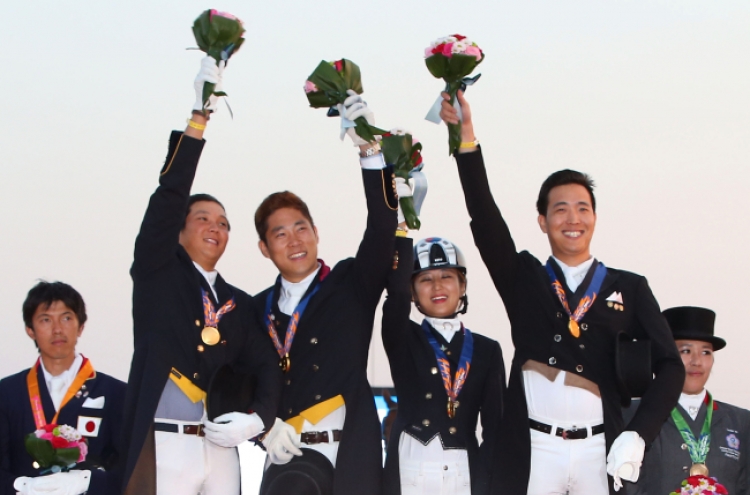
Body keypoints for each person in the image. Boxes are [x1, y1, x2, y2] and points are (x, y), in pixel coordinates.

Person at [439, 91, 685, 495]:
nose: (573, 219)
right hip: (534, 450)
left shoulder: (630, 287)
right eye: (560, 209)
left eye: (583, 208)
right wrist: (465, 139)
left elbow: (671, 366)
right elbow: (485, 217)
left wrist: (639, 434)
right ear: (542, 220)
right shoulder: (523, 277)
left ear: (595, 217)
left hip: (598, 450)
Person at [121, 56, 281, 495]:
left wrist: (259, 418)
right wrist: (197, 121)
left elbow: (266, 364)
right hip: (166, 444)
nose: (215, 227)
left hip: (220, 449)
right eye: (204, 218)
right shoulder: (157, 270)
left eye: (224, 223)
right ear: (179, 228)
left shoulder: (240, 302)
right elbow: (168, 198)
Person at [254, 93, 398, 495]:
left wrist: (369, 149)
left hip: (351, 458)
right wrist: (261, 427)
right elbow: (238, 381)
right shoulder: (253, 310)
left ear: (316, 234)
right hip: (286, 462)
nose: (294, 240)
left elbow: (383, 226)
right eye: (279, 234)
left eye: (301, 228)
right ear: (265, 248)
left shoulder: (352, 283)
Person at [381, 233, 504, 495]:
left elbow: (496, 430)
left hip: (463, 472)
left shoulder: (487, 350)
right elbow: (395, 298)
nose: (437, 286)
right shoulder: (402, 336)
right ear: (412, 291)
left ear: (462, 285)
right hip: (410, 465)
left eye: (447, 276)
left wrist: (487, 486)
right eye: (425, 279)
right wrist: (401, 230)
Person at [0, 281, 126, 495]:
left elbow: (131, 468)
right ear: (30, 330)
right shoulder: (7, 393)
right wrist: (21, 486)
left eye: (67, 318)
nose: (57, 329)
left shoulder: (116, 393)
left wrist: (89, 481)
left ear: (81, 326)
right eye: (45, 320)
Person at [629, 306, 750, 495]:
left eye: (706, 352)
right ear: (664, 357)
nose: (697, 361)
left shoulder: (741, 421)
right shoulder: (632, 414)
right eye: (686, 351)